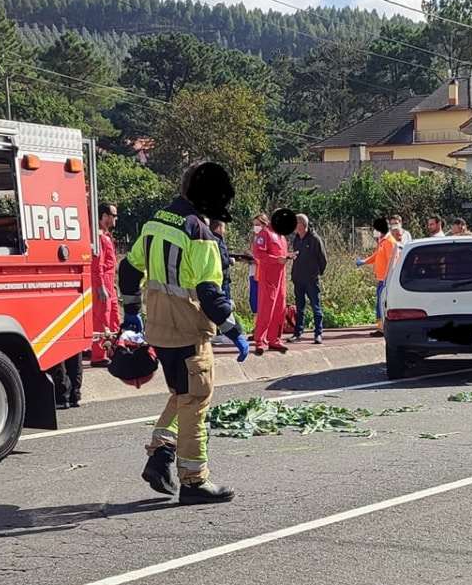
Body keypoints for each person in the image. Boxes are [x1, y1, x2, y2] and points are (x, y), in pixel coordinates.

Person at [117, 161, 250, 503]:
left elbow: (128, 269)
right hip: (190, 332)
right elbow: (209, 293)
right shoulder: (200, 234)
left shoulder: (154, 223)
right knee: (195, 401)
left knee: (180, 394)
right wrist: (233, 328)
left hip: (159, 330)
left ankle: (160, 456)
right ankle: (194, 481)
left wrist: (132, 313)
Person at [251, 209, 294, 354]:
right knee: (265, 308)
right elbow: (258, 254)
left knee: (279, 309)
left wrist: (289, 256)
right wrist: (277, 260)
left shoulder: (281, 236)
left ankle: (275, 339)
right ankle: (260, 341)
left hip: (280, 277)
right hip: (268, 276)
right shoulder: (264, 233)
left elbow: (280, 254)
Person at [89, 203, 121, 366]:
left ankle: (114, 349)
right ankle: (98, 355)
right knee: (102, 318)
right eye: (113, 215)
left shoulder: (105, 235)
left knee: (114, 317)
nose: (116, 218)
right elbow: (98, 264)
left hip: (109, 284)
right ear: (104, 216)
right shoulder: (99, 237)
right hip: (103, 284)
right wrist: (101, 286)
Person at [290, 211, 327, 343]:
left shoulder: (315, 239)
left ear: (301, 224)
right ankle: (298, 333)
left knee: (316, 306)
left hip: (311, 279)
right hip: (298, 279)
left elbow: (323, 259)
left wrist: (316, 274)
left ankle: (318, 333)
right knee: (300, 307)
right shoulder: (296, 239)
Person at [359, 217, 397, 336]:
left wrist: (388, 278)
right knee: (379, 304)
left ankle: (383, 329)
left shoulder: (390, 242)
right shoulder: (383, 241)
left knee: (382, 304)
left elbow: (393, 261)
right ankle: (381, 328)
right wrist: (365, 261)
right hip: (381, 279)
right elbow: (376, 256)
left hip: (386, 280)